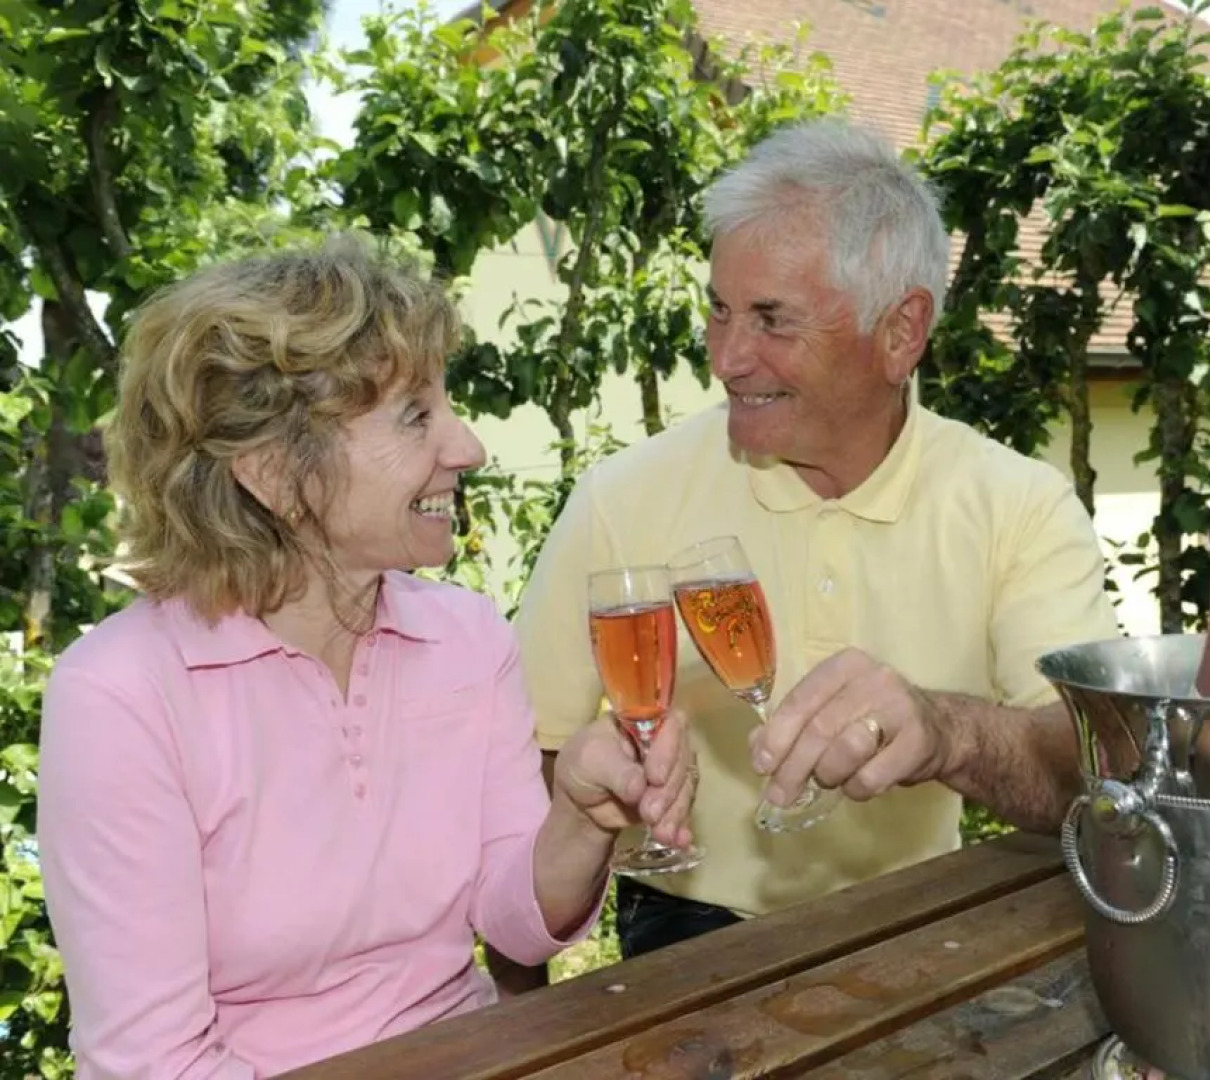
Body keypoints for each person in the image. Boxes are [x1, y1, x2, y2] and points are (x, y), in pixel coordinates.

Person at [36, 238, 696, 1078]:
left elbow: (517, 927)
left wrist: (580, 816)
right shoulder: (122, 697)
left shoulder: (467, 638)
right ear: (276, 472)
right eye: (416, 416)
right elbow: (152, 1062)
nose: (469, 449)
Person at [510, 118, 1120, 962]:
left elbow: (1098, 774)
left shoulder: (1017, 504)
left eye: (771, 320)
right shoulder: (622, 497)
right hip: (687, 932)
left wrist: (947, 731)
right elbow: (514, 781)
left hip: (920, 921)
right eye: (719, 311)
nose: (727, 359)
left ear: (902, 331)